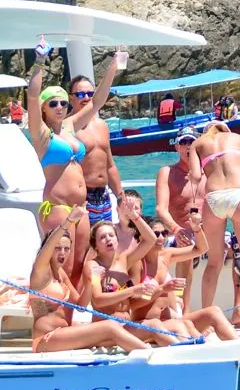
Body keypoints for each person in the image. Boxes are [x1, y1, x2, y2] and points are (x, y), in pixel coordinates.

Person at [28, 42, 121, 286]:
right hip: (58, 207)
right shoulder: (41, 135)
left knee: (80, 264)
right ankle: (59, 313)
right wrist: (39, 61)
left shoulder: (70, 127)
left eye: (62, 103)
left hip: (83, 207)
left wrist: (113, 66)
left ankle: (71, 316)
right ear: (44, 110)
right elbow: (32, 95)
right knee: (61, 266)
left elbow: (97, 101)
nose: (60, 107)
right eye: (53, 103)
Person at [29, 206, 149, 353]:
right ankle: (150, 355)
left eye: (67, 249)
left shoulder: (61, 275)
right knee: (109, 326)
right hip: (46, 339)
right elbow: (48, 246)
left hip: (64, 334)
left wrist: (91, 282)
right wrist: (69, 221)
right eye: (57, 248)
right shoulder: (40, 272)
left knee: (110, 335)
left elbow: (81, 305)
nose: (63, 253)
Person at [188, 121, 240, 330]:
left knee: (214, 261)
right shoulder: (238, 140)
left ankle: (206, 321)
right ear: (226, 131)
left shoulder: (198, 143)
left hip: (213, 197)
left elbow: (196, 177)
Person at [131, 216, 237, 341]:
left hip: (172, 320)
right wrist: (161, 289)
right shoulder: (136, 263)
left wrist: (197, 229)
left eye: (164, 233)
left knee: (214, 312)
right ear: (143, 236)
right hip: (148, 324)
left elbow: (201, 249)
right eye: (156, 234)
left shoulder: (166, 255)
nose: (160, 238)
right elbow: (133, 304)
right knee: (184, 326)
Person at [84, 215, 181, 346]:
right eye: (102, 237)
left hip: (126, 326)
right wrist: (132, 290)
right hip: (105, 331)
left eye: (111, 235)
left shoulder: (124, 261)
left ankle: (186, 350)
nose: (108, 239)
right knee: (154, 325)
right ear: (95, 245)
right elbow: (98, 300)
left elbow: (150, 239)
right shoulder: (93, 266)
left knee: (163, 325)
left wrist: (134, 216)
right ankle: (182, 351)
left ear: (117, 240)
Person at [155, 126, 205, 311]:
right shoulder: (167, 172)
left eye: (192, 141)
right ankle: (183, 312)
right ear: (176, 147)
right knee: (185, 246)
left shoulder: (208, 172)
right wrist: (177, 230)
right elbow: (161, 209)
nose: (188, 146)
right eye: (183, 142)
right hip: (180, 234)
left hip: (206, 234)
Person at [68, 75, 124, 226]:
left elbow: (110, 165)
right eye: (80, 94)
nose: (86, 98)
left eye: (90, 94)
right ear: (70, 98)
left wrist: (120, 196)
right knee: (83, 247)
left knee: (105, 244)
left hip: (104, 197)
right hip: (82, 197)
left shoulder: (102, 126)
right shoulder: (67, 129)